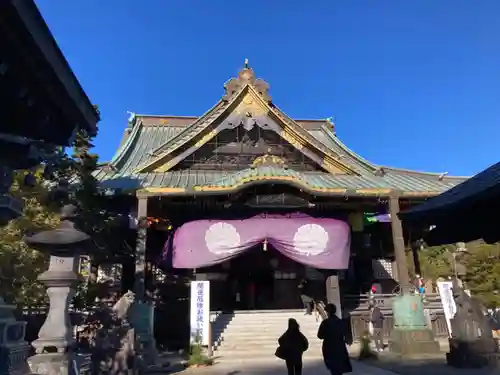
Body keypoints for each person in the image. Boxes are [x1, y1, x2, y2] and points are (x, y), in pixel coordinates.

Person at [317, 304, 352, 375]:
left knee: (333, 370)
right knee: (339, 370)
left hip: (329, 348)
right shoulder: (341, 322)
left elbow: (320, 336)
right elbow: (346, 334)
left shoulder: (325, 323)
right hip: (340, 347)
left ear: (327, 312)